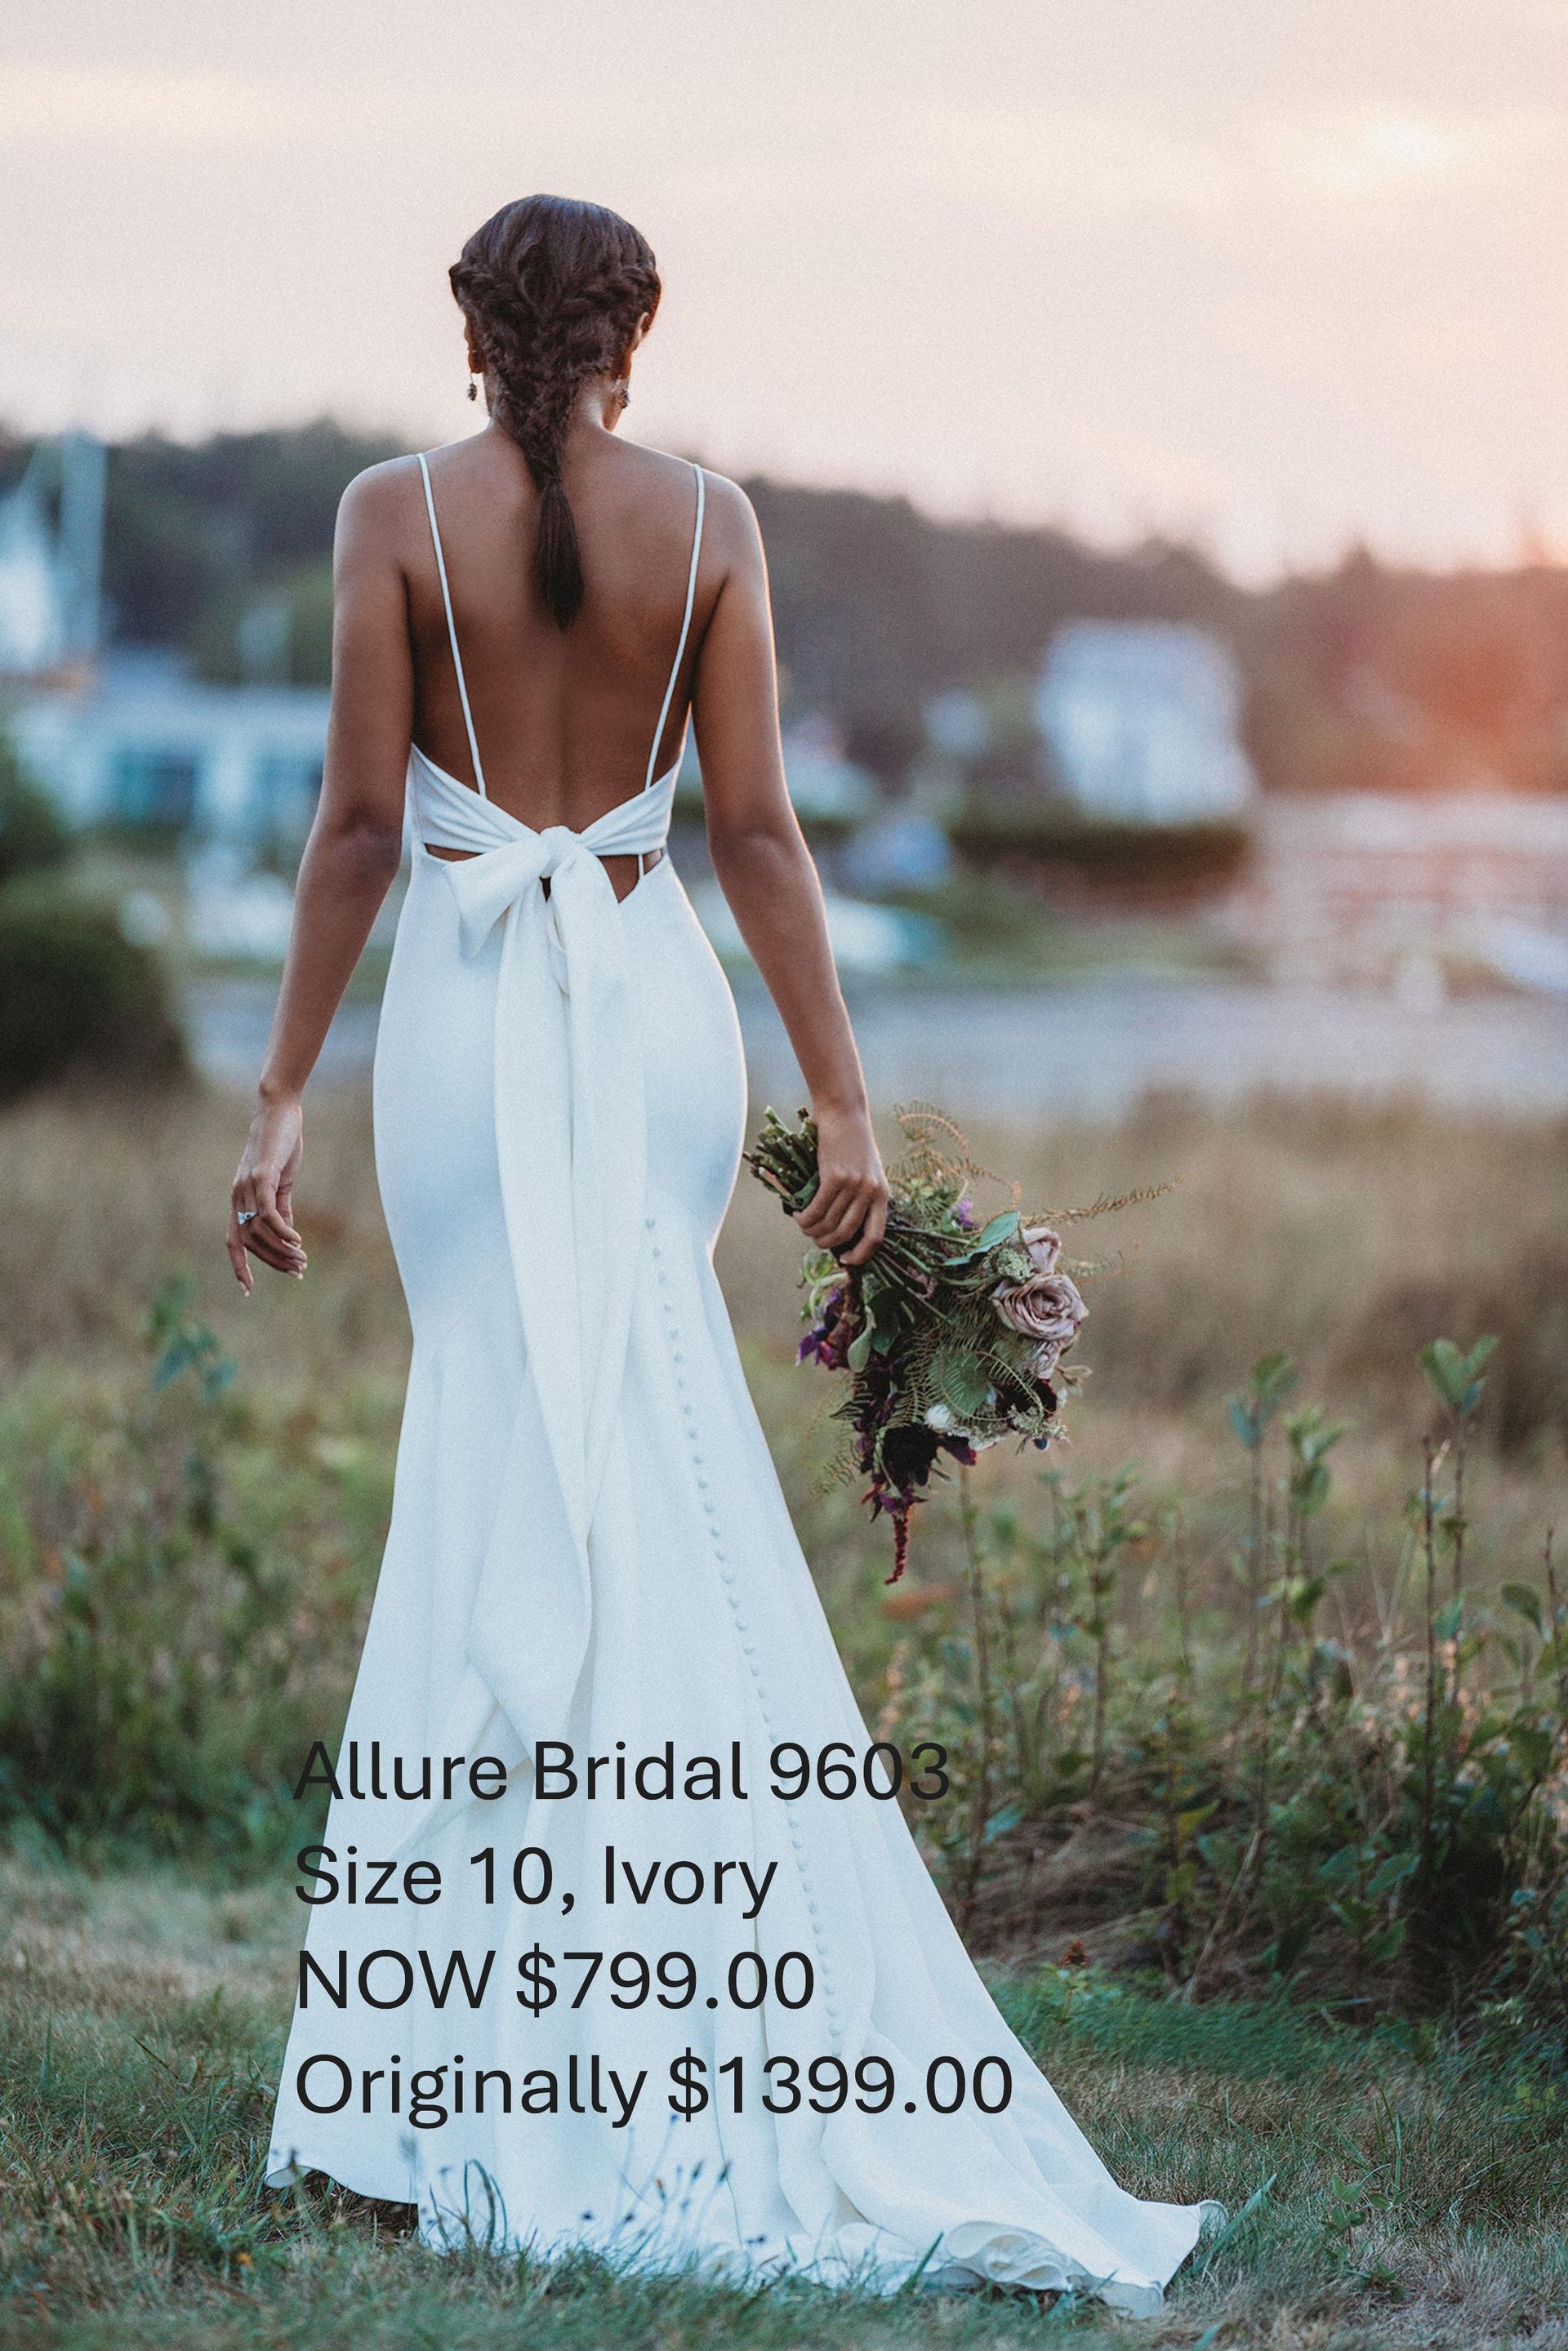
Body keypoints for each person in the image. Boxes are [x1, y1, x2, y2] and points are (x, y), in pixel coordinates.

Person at [233, 194, 1216, 2310]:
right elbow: (756, 833)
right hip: (653, 1014)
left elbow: (352, 831)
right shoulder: (714, 526)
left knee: (489, 1451)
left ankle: (429, 2070)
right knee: (647, 1455)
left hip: (468, 1027)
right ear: (635, 340)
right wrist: (841, 1099)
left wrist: (281, 1094)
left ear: (471, 336)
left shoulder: (388, 515)